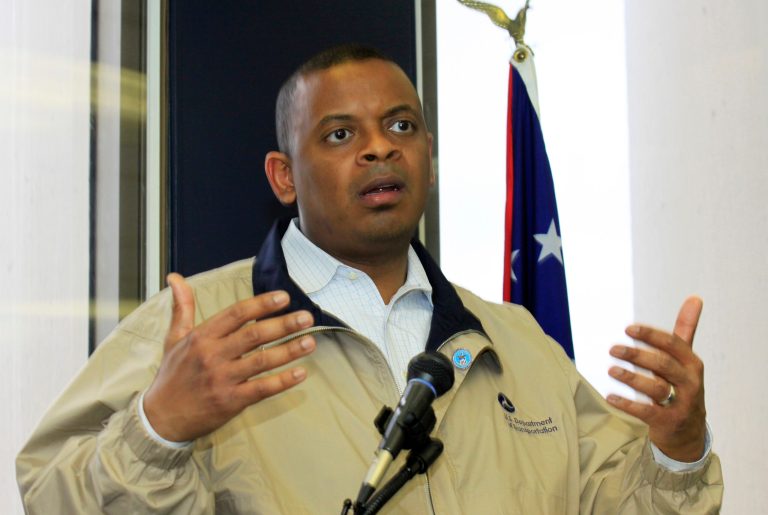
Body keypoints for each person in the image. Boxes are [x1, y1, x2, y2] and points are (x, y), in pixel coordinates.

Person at [17, 45, 723, 514]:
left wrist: (678, 450)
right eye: (340, 134)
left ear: (430, 156)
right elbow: (49, 494)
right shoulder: (199, 327)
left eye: (401, 125)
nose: (380, 146)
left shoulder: (515, 341)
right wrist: (158, 429)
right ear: (283, 175)